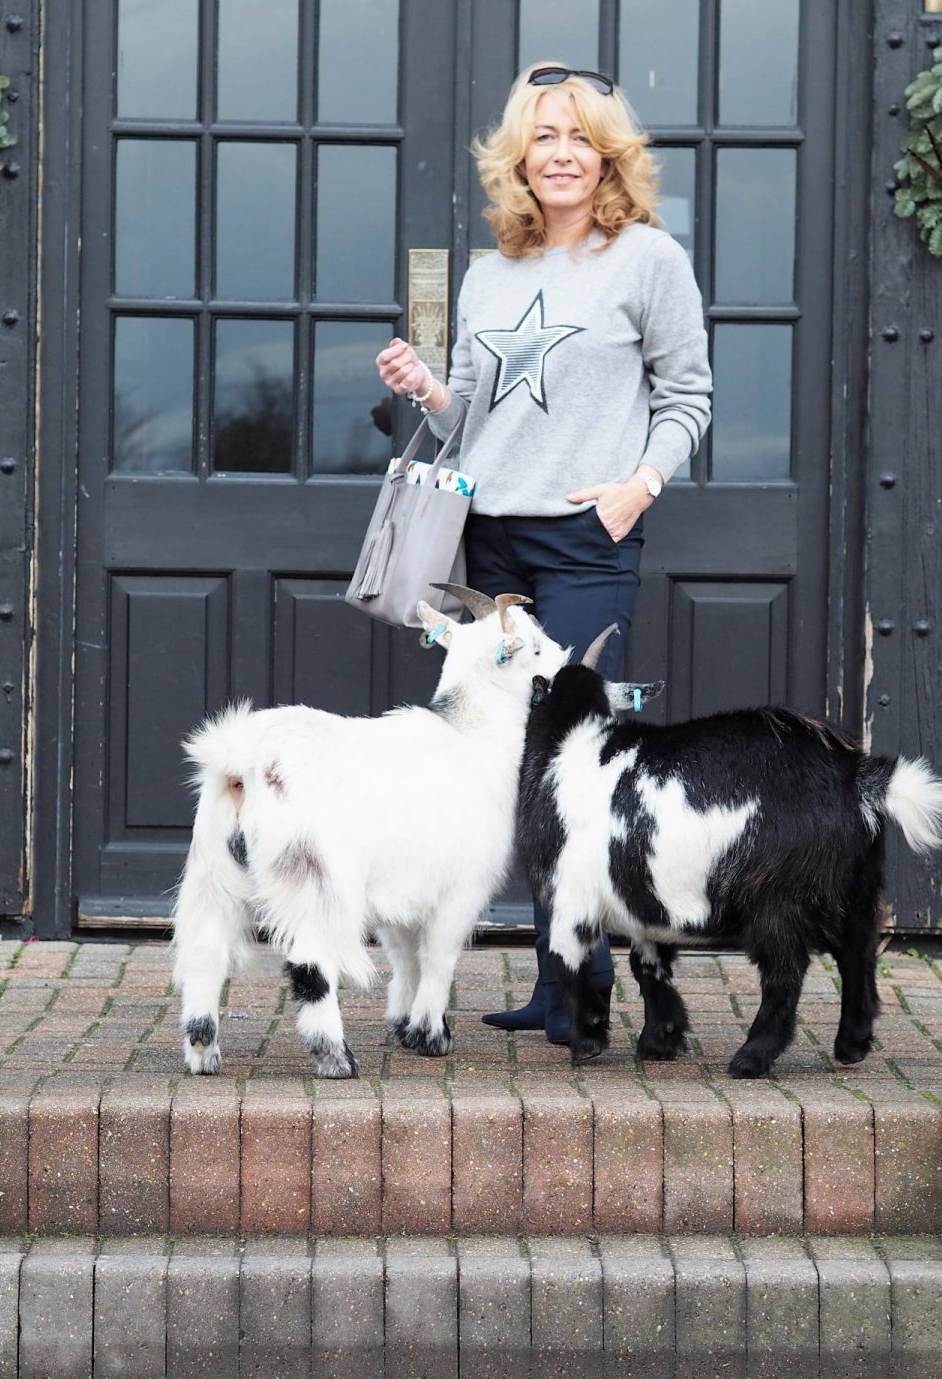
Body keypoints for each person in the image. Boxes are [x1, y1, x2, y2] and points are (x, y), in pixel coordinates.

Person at [374, 62, 712, 1044]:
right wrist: (424, 386)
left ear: (608, 156)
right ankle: (566, 982)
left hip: (583, 541)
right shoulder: (491, 271)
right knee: (511, 761)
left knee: (578, 760)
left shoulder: (647, 261)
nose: (560, 153)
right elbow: (464, 416)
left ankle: (639, 985)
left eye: (579, 137)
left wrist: (635, 489)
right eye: (544, 135)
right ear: (519, 154)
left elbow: (688, 396)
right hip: (492, 535)